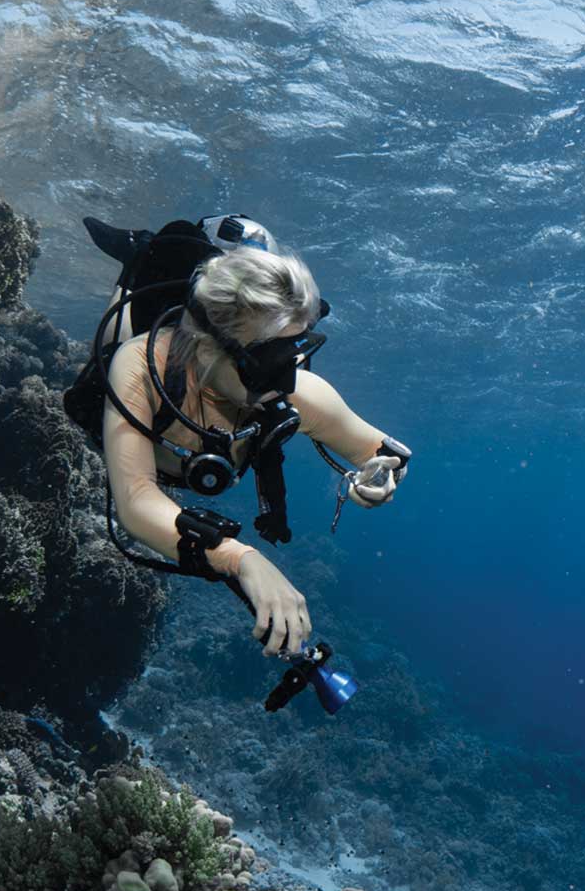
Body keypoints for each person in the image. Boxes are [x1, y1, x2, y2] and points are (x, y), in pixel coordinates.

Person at [70, 213, 410, 655]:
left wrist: (379, 478)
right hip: (148, 350)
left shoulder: (297, 392)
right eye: (271, 362)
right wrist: (241, 558)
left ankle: (228, 254)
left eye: (296, 355)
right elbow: (135, 502)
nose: (287, 382)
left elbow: (386, 454)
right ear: (208, 346)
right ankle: (148, 254)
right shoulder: (142, 368)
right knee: (127, 312)